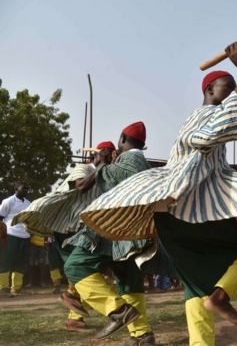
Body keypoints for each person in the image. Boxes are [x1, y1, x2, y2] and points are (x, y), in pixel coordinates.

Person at [79, 41, 237, 346]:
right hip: (188, 213)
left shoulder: (203, 124)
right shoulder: (204, 117)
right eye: (227, 86)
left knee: (196, 288)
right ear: (209, 91)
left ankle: (210, 311)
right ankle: (222, 295)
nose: (233, 92)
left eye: (235, 87)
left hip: (174, 219)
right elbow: (236, 115)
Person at [63, 123, 155, 344]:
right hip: (136, 232)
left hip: (112, 229)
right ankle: (142, 335)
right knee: (129, 281)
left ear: (123, 139)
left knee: (75, 266)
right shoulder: (143, 163)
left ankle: (117, 310)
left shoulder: (127, 163)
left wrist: (102, 165)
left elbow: (83, 187)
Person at [13, 141, 116, 331]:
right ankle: (76, 308)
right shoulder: (84, 168)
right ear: (99, 155)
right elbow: (80, 186)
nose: (110, 159)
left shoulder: (104, 175)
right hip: (64, 229)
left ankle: (74, 316)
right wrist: (100, 166)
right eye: (107, 155)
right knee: (81, 269)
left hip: (80, 228)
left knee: (83, 270)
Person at [0, 181, 31, 297]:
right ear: (16, 189)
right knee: (5, 260)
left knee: (21, 263)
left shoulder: (29, 203)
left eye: (27, 189)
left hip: (25, 236)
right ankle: (3, 288)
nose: (26, 191)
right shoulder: (8, 201)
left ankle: (16, 289)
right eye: (24, 188)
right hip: (11, 234)